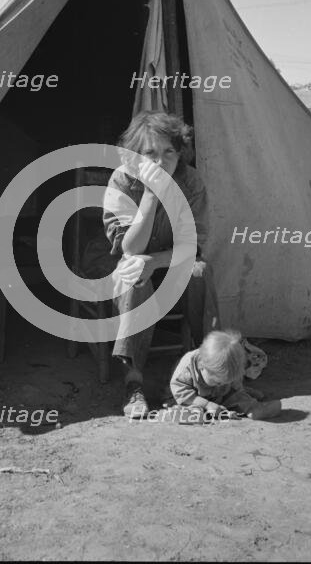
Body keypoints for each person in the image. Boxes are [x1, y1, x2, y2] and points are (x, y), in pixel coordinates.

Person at [81, 111, 220, 417]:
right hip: (117, 258)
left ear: (180, 152)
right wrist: (150, 194)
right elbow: (130, 248)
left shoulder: (190, 181)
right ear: (135, 156)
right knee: (134, 275)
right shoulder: (122, 179)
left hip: (169, 258)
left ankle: (207, 371)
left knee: (200, 272)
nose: (160, 161)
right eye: (150, 153)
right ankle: (134, 382)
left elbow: (192, 246)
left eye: (169, 151)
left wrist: (155, 261)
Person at [169, 329, 281, 420]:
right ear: (202, 366)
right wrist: (206, 404)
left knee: (237, 396)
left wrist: (239, 391)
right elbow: (181, 393)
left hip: (219, 396)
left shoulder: (228, 371)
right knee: (192, 410)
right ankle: (197, 414)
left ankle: (254, 408)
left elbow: (235, 388)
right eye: (217, 382)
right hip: (193, 398)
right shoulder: (186, 366)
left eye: (224, 382)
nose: (220, 384)